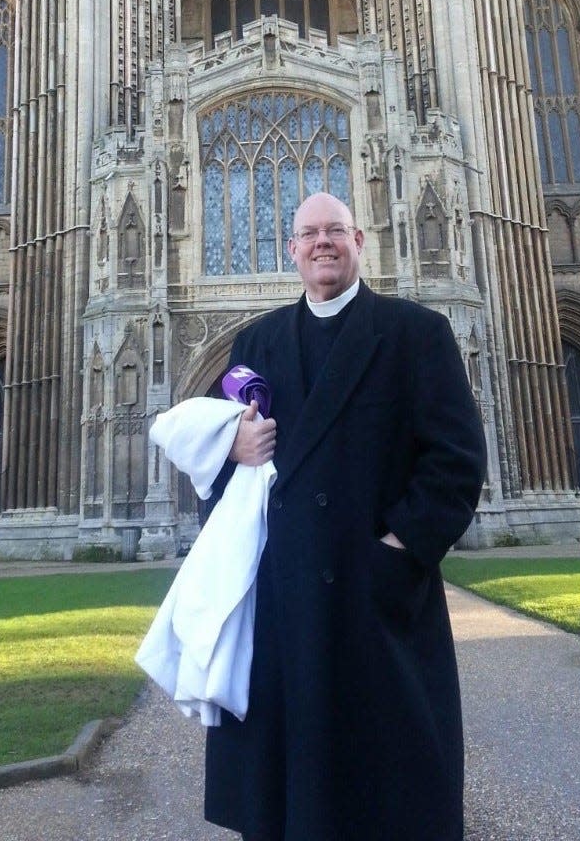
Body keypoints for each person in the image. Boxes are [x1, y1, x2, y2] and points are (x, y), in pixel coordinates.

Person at [204, 191, 486, 841]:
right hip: (286, 603)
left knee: (388, 789)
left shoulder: (417, 332)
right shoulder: (255, 343)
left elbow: (457, 460)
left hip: (375, 600)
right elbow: (218, 452)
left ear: (360, 241)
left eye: (336, 231)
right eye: (310, 233)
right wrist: (232, 449)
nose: (323, 243)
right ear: (292, 250)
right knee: (291, 798)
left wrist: (396, 551)